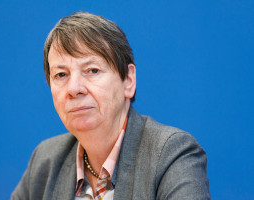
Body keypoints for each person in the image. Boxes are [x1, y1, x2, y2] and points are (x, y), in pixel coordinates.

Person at [11, 12, 210, 200]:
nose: (74, 88)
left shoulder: (171, 154)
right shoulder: (45, 160)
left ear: (128, 81)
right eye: (61, 75)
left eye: (92, 70)